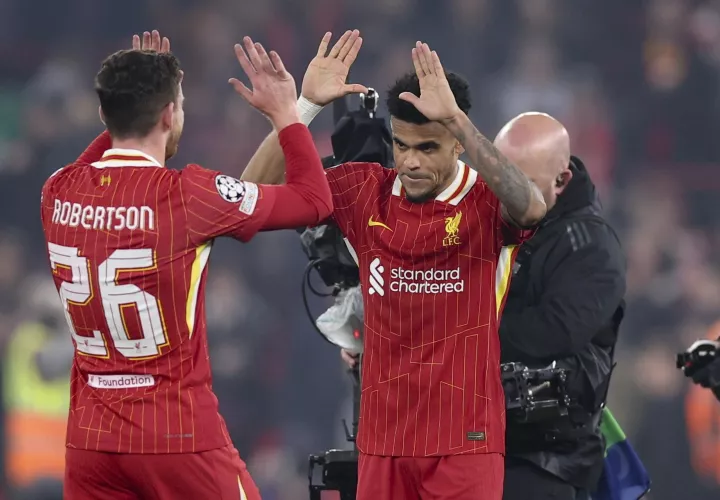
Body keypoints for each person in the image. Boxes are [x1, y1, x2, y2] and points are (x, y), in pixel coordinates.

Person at [243, 39, 547, 500]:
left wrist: (458, 120)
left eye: (428, 147)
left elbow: (532, 209)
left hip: (464, 444)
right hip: (382, 445)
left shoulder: (485, 202)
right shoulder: (365, 190)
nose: (410, 161)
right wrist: (301, 108)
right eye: (401, 145)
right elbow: (244, 197)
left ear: (458, 145)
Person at [40, 30, 335, 500]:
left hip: (91, 443)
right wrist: (286, 112)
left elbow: (100, 156)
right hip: (175, 436)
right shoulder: (189, 195)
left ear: (103, 114)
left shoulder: (57, 192)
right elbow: (314, 201)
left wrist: (136, 94)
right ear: (169, 114)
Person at [496, 113, 626, 500]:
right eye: (500, 179)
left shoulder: (591, 246)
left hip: (545, 462)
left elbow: (552, 332)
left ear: (562, 181)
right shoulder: (487, 222)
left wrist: (456, 333)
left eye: (524, 186)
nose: (508, 195)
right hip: (475, 444)